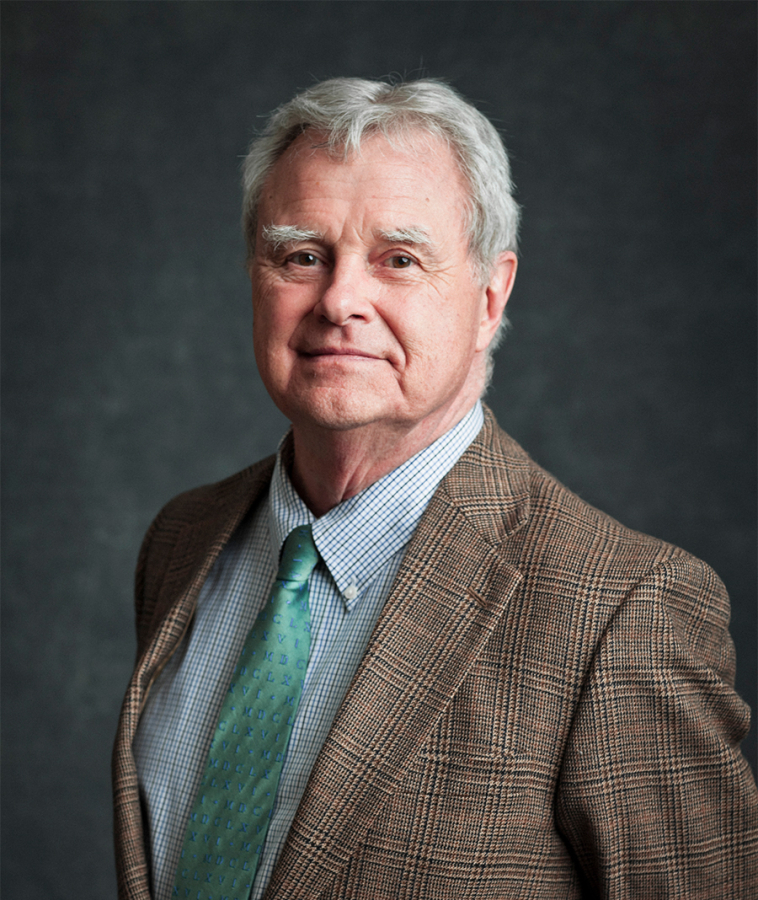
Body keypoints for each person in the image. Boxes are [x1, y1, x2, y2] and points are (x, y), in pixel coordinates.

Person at [112, 77, 757, 900]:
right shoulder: (183, 541)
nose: (341, 300)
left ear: (491, 297)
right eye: (302, 255)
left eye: (400, 260)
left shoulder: (625, 611)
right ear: (255, 277)